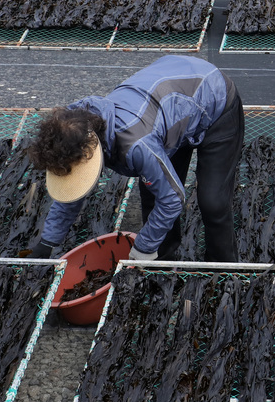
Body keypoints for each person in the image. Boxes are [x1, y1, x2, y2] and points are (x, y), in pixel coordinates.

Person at [24, 56, 244, 262]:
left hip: (213, 98)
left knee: (212, 202)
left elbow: (172, 199)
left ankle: (222, 270)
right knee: (151, 193)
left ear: (93, 151)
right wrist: (48, 242)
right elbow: (73, 184)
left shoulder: (137, 145)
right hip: (170, 108)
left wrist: (143, 247)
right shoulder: (74, 123)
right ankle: (164, 263)